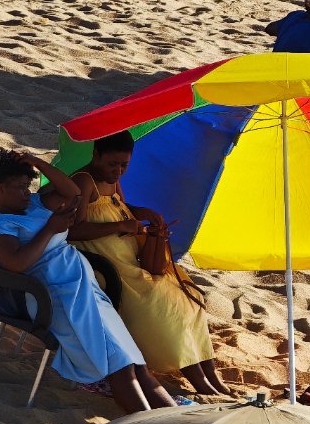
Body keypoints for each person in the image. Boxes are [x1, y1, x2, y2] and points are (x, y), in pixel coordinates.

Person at [0, 149, 172, 414]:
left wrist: (39, 163)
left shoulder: (32, 204)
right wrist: (49, 229)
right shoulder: (0, 225)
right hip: (55, 297)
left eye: (28, 185)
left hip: (83, 289)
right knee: (120, 367)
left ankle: (176, 422)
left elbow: (73, 194)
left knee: (136, 363)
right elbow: (17, 264)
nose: (27, 192)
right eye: (21, 187)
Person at [69, 131, 230, 398]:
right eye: (112, 164)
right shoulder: (84, 182)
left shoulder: (113, 181)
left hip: (130, 258)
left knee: (187, 298)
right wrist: (120, 225)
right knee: (161, 304)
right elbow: (73, 230)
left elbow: (120, 204)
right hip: (109, 265)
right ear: (96, 155)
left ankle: (211, 377)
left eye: (124, 165)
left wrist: (144, 213)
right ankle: (200, 383)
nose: (118, 171)